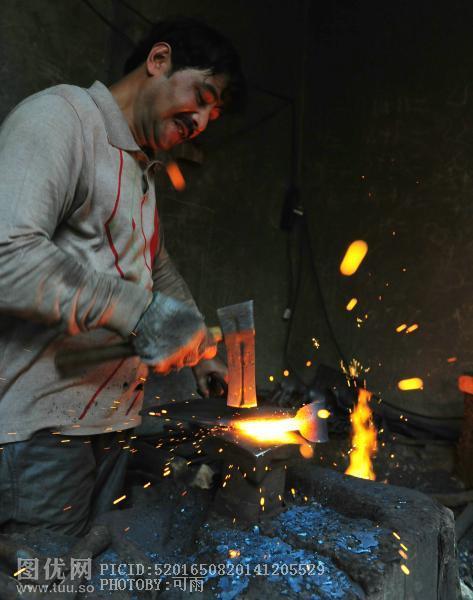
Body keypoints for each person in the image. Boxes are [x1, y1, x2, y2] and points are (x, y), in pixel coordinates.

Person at [0, 17, 246, 536]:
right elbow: (9, 255)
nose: (202, 121)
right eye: (202, 97)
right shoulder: (61, 119)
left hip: (110, 425)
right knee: (44, 575)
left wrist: (202, 349)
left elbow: (156, 268)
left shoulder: (140, 170)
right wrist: (141, 313)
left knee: (89, 566)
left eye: (213, 115)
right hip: (40, 435)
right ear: (159, 60)